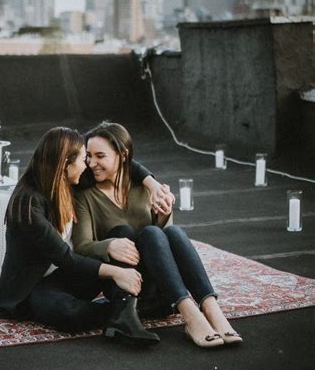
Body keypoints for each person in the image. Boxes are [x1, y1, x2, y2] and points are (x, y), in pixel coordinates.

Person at [72, 122, 243, 348]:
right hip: (126, 282)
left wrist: (164, 213)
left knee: (168, 231)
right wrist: (109, 245)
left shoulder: (144, 188)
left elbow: (163, 240)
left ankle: (211, 309)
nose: (92, 163)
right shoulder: (85, 195)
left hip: (160, 282)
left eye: (100, 156)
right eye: (89, 156)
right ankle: (191, 316)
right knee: (126, 232)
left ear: (122, 156)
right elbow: (82, 246)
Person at [0, 126, 166, 345]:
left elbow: (120, 161)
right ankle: (134, 309)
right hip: (32, 289)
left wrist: (151, 183)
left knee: (120, 235)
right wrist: (115, 273)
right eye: (84, 159)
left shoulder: (69, 181)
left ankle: (127, 317)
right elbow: (64, 257)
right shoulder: (28, 203)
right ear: (65, 163)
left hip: (68, 274)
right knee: (71, 314)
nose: (89, 165)